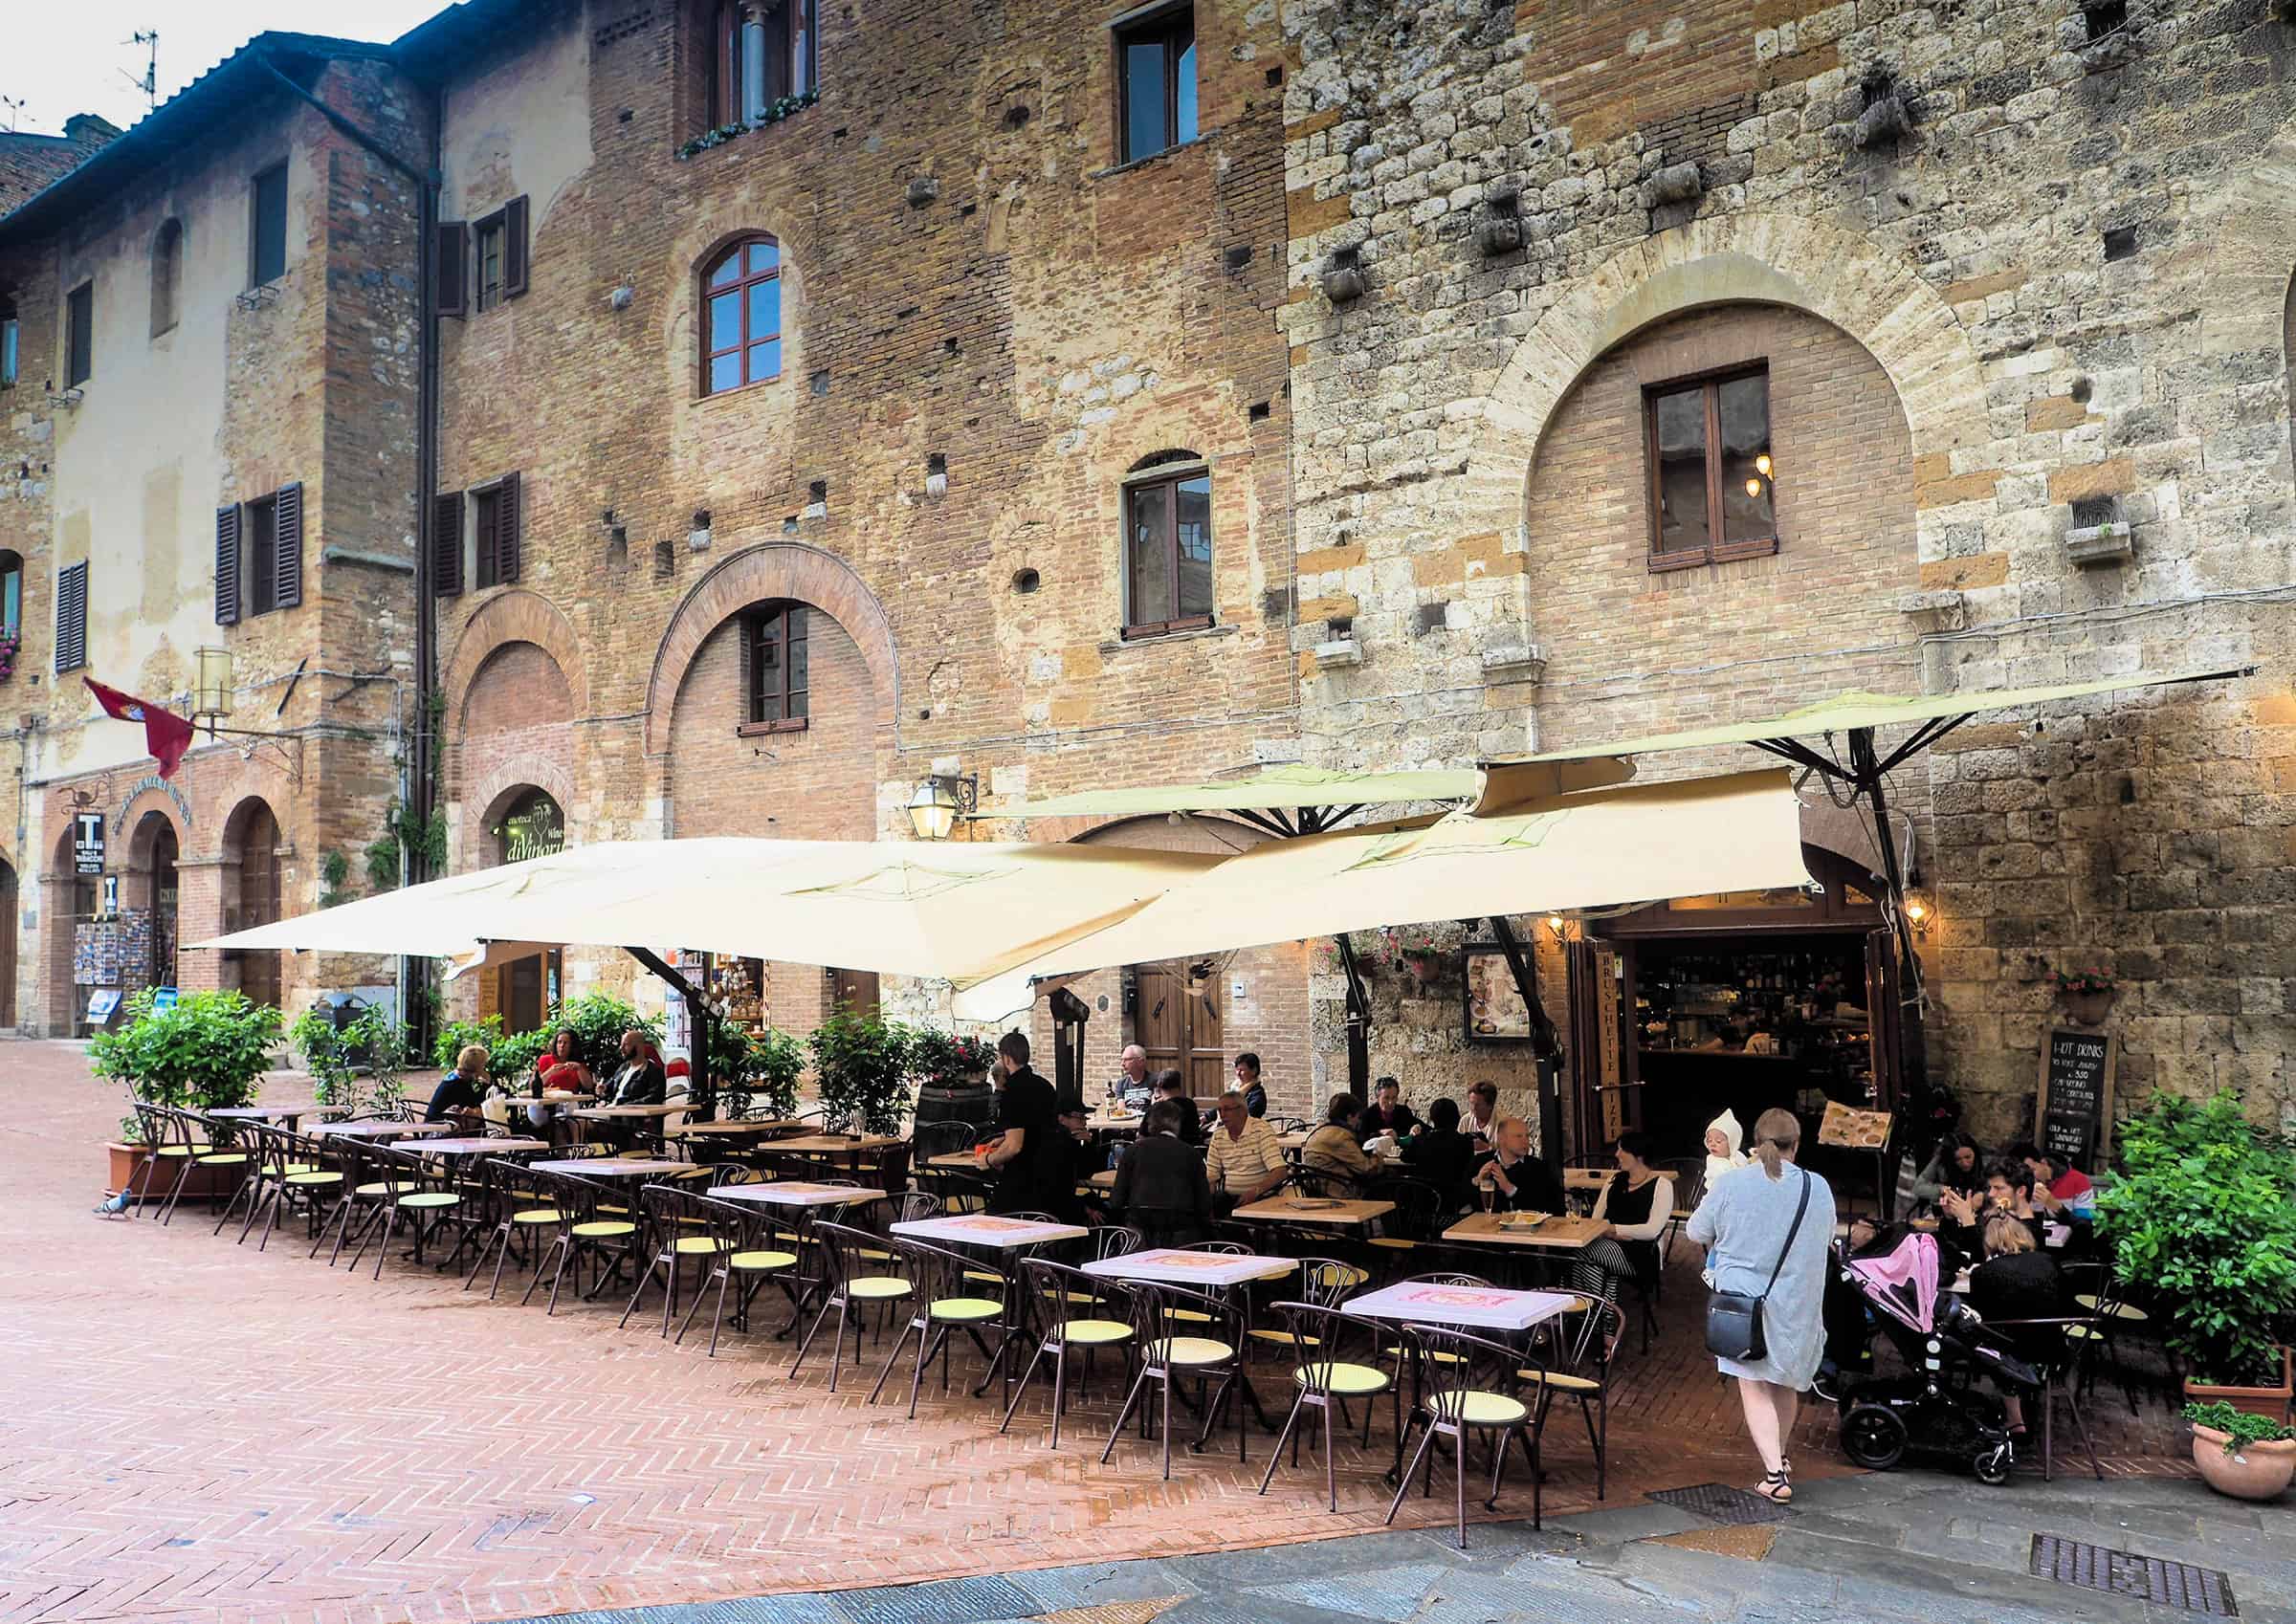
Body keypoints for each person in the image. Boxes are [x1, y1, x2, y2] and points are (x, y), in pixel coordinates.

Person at [1685, 1108, 1837, 1505]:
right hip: (1797, 1301)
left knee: (1752, 1384)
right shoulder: (1817, 1187)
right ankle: (1780, 1458)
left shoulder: (1732, 1183)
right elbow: (1825, 1238)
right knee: (1783, 1381)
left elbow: (1695, 1231)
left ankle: (1774, 1473)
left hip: (1742, 1303)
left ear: (1755, 1142)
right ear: (1797, 1143)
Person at [1968, 1217, 2070, 1443]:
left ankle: (2015, 1419)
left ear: (1989, 1243)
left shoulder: (1983, 1273)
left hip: (2012, 1354)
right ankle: (2024, 1410)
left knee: (1987, 1340)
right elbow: (2065, 1302)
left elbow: (1981, 1316)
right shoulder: (2048, 1260)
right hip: (2054, 1350)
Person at [983, 1030, 1071, 1215]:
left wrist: (988, 1160)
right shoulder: (1044, 1085)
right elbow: (1037, 1127)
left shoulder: (1012, 1092)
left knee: (991, 1224)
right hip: (1051, 1176)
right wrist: (1003, 1138)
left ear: (1006, 1058)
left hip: (1023, 1182)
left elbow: (1014, 1146)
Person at [1110, 1099, 1213, 1244]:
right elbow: (1204, 1205)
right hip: (1182, 1235)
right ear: (1177, 1123)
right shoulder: (1191, 1154)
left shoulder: (1132, 1151)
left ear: (1150, 1124)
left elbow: (1116, 1200)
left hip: (1139, 1234)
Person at [1589, 1130, 1677, 1297]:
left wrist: (1613, 1229)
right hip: (1608, 1244)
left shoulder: (1662, 1185)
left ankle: (1592, 1312)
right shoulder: (1613, 1181)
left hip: (1640, 1254)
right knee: (1584, 1258)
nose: (1617, 1154)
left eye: (1622, 1150)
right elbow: (1596, 1220)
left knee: (1585, 1254)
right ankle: (1598, 1312)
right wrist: (1612, 1234)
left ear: (1639, 1155)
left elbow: (1652, 1230)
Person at [1940, 1160, 2044, 1267]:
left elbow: (1984, 1264)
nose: (1991, 1194)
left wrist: (1968, 1221)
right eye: (1990, 1188)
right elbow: (1959, 1251)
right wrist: (1950, 1217)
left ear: (2021, 1191)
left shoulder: (2030, 1232)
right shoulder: (1995, 1219)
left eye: (1998, 1188)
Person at [1204, 1088, 1288, 1208]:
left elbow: (1280, 1171)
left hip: (1261, 1197)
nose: (1222, 1115)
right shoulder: (1218, 1136)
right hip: (1230, 1199)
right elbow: (1211, 1176)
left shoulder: (1261, 1129)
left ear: (1242, 1111)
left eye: (1227, 1110)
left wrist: (1255, 1191)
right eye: (1219, 1110)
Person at [1469, 1116, 1564, 1214]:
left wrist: (1510, 1189)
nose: (1525, 1141)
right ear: (1501, 1139)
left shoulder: (1539, 1168)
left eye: (1527, 1136)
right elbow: (1463, 1204)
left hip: (1529, 1228)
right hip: (1485, 1227)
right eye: (1518, 1136)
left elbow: (1553, 1209)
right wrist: (1477, 1181)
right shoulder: (1480, 1162)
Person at [1402, 1095, 1476, 1211]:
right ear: (1456, 1118)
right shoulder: (1465, 1142)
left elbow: (1404, 1157)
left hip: (1424, 1205)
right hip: (1454, 1205)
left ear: (1432, 1118)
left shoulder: (1420, 1141)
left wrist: (1414, 1137)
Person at [1300, 1093, 1384, 1192]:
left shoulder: (1318, 1130)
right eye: (1357, 1117)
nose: (1358, 1121)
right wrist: (1378, 1153)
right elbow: (1367, 1169)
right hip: (1340, 1193)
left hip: (1313, 1191)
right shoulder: (1341, 1137)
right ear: (1349, 1117)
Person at [2009, 1140, 2095, 1218]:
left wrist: (2057, 1207)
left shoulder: (2079, 1181)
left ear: (2043, 1163)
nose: (2028, 1177)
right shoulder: (2021, 1185)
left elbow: (2085, 1226)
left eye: (2032, 1171)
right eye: (2023, 1174)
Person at [1910, 1131, 1986, 1205]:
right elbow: (1918, 1188)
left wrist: (1983, 1196)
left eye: (1968, 1157)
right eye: (1958, 1159)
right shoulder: (1941, 1161)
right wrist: (1942, 1190)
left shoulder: (1984, 1163)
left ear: (1975, 1153)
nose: (1964, 1163)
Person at [426, 1043, 490, 1124]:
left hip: (438, 1126)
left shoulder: (456, 1076)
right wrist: (486, 1083)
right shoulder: (458, 1084)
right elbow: (478, 1104)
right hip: (439, 1131)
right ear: (478, 1066)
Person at [1703, 1108, 1751, 1198]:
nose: (1712, 1144)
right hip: (1719, 1198)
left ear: (1732, 1143)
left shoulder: (1739, 1157)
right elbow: (1724, 1181)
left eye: (1718, 1141)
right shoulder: (1712, 1161)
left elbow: (1747, 1171)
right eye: (1709, 1140)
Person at [1360, 1076, 1419, 1143]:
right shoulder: (1367, 1115)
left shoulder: (1404, 1111)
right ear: (1378, 1098)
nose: (1390, 1102)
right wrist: (1380, 1133)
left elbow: (1417, 1126)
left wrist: (1416, 1128)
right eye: (1386, 1098)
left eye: (1394, 1098)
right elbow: (1362, 1139)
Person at [1153, 1069, 1200, 1142]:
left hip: (1162, 1150)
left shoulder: (1157, 1108)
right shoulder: (1190, 1104)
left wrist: (1153, 1106)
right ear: (1179, 1085)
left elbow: (1143, 1135)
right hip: (1188, 1149)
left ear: (1159, 1086)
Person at [1111, 1044, 1152, 1108]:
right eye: (1121, 1060)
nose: (1122, 1064)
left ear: (1141, 1061)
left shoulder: (1156, 1081)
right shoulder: (1121, 1083)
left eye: (1127, 1060)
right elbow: (1122, 1111)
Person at [1463, 1081, 1500, 1149]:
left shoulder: (1503, 1124)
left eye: (1478, 1105)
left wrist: (1487, 1147)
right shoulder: (1466, 1120)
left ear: (1490, 1105)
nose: (1473, 1108)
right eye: (1471, 1103)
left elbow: (1510, 1156)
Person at [1233, 1051, 1269, 1118]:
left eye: (1242, 1070)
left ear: (1254, 1071)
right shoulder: (1236, 1087)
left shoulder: (1257, 1095)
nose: (1238, 1073)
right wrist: (1207, 1116)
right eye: (1237, 1069)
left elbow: (1247, 1117)